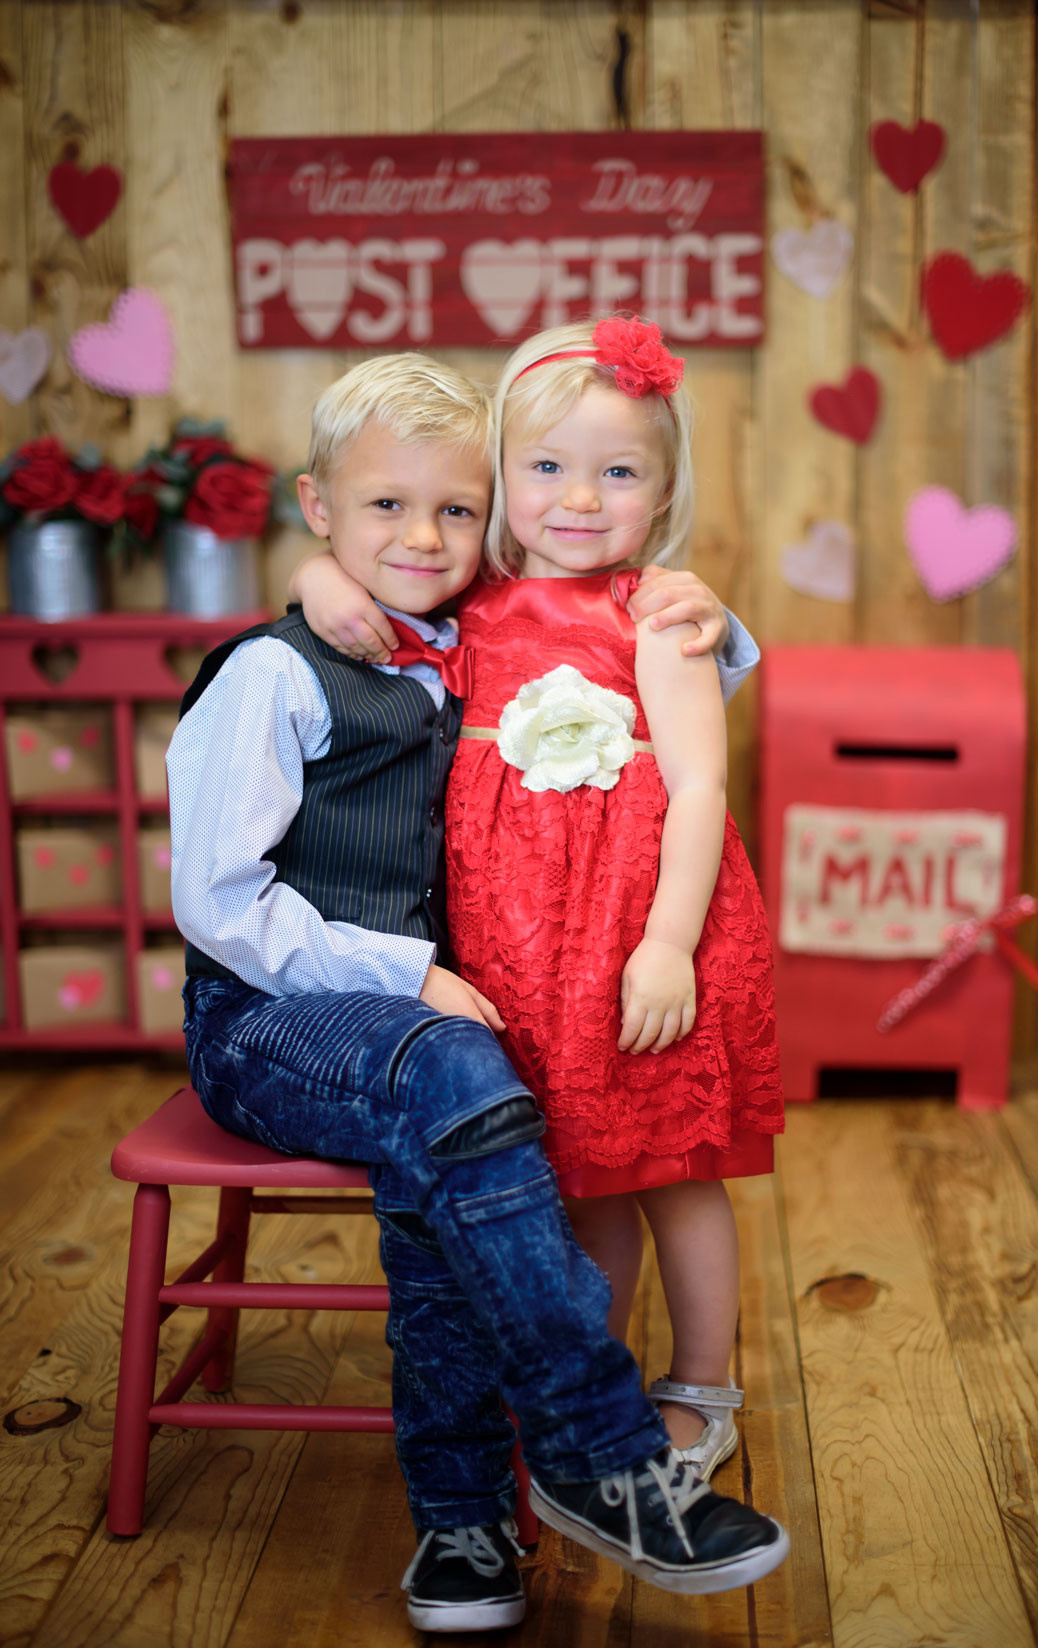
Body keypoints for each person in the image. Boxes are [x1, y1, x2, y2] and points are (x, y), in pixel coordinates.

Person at [168, 352, 789, 1636]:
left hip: (423, 1022)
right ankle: (591, 1452)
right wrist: (311, 575)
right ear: (320, 507)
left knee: (454, 1133)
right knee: (461, 1082)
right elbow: (220, 905)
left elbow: (634, 662)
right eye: (387, 507)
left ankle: (470, 1522)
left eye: (454, 508)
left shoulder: (441, 632)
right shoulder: (287, 667)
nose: (423, 535)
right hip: (272, 1018)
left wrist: (712, 617)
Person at [294, 319, 784, 1493]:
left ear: (662, 488)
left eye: (617, 472)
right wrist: (314, 577)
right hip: (520, 943)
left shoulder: (654, 615)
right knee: (578, 1165)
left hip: (637, 932)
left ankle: (702, 1383)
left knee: (670, 1166)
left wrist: (666, 945)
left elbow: (700, 786)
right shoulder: (471, 599)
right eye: (547, 467)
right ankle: (589, 1393)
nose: (577, 498)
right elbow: (361, 571)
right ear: (499, 477)